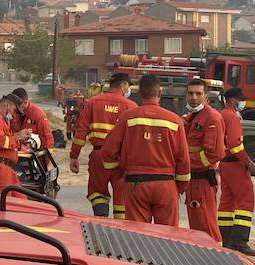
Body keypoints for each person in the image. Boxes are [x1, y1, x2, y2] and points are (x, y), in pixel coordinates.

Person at [100, 74, 190, 225]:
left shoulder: (128, 118)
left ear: (140, 94)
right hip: (166, 186)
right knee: (168, 237)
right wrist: (179, 187)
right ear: (159, 94)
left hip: (136, 184)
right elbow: (183, 159)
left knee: (138, 236)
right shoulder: (175, 121)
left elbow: (108, 151)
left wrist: (119, 172)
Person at [69, 72, 136, 218]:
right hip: (121, 159)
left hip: (99, 156)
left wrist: (74, 156)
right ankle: (120, 230)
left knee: (98, 192)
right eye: (128, 86)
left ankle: (102, 221)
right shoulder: (131, 106)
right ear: (124, 85)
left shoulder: (93, 102)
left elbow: (80, 132)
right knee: (122, 195)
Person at [183, 78, 224, 242]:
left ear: (206, 97)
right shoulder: (193, 117)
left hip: (202, 180)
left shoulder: (212, 118)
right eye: (190, 93)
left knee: (206, 225)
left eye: (198, 94)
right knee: (196, 226)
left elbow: (214, 153)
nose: (194, 97)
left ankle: (215, 260)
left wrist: (184, 164)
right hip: (193, 180)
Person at [217, 87, 255, 256]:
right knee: (245, 201)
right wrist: (247, 160)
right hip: (235, 164)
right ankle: (240, 241)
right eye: (241, 99)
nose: (242, 102)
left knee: (227, 201)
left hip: (224, 163)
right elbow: (234, 143)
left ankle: (225, 238)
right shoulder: (232, 117)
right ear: (233, 100)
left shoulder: (221, 115)